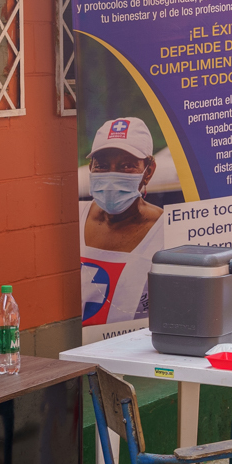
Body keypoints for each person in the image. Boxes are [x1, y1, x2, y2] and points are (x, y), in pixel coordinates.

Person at [79, 117, 165, 331]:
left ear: (149, 170)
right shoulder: (76, 219)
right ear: (90, 167)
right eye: (102, 166)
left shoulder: (165, 231)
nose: (111, 176)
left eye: (127, 166)